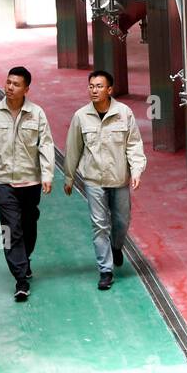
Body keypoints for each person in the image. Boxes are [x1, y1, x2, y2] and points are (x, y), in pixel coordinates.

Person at [64, 70, 146, 290]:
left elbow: (134, 144)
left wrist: (136, 171)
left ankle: (117, 246)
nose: (94, 90)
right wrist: (69, 177)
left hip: (119, 178)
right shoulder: (81, 116)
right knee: (99, 225)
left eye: (99, 86)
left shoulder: (124, 113)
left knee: (121, 221)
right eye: (91, 86)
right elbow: (73, 148)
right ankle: (105, 270)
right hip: (93, 179)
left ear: (109, 90)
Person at [0, 66, 54, 301]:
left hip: (30, 180)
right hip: (3, 181)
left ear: (26, 89)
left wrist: (47, 175)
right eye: (8, 82)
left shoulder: (37, 114)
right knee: (10, 229)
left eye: (16, 84)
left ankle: (25, 259)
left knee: (29, 225)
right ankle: (20, 279)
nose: (10, 87)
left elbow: (46, 145)